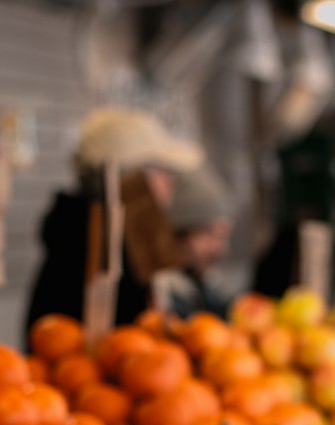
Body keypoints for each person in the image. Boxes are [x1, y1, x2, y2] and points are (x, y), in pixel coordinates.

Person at [25, 107, 202, 333]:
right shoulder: (90, 243)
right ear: (128, 178)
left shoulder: (124, 234)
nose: (171, 182)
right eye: (162, 169)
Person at [152, 167, 234, 320]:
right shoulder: (157, 294)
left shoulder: (206, 289)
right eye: (210, 234)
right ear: (176, 233)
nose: (219, 248)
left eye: (223, 237)